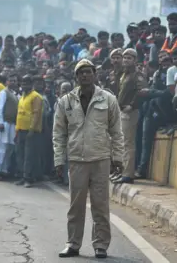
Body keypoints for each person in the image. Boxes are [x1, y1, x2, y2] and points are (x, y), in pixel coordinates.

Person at [53, 59, 125, 259]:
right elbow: (58, 133)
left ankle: (100, 245)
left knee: (100, 205)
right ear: (76, 77)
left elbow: (117, 132)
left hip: (101, 158)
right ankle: (73, 244)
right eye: (81, 73)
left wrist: (117, 158)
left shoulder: (108, 100)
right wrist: (59, 159)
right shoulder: (66, 101)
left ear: (95, 74)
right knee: (75, 206)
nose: (85, 75)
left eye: (88, 72)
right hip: (76, 160)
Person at [113, 49, 147, 184]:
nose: (126, 60)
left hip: (130, 112)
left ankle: (128, 174)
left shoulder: (137, 75)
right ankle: (122, 172)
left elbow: (142, 92)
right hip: (121, 111)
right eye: (125, 57)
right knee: (121, 143)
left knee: (128, 143)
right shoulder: (123, 74)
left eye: (129, 58)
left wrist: (132, 106)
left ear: (135, 60)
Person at [14, 75, 43, 188]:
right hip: (20, 129)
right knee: (20, 154)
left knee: (29, 156)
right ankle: (22, 176)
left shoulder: (36, 97)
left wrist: (31, 129)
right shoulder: (22, 97)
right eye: (23, 83)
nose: (24, 85)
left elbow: (36, 114)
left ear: (31, 84)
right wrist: (17, 129)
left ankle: (28, 178)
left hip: (31, 131)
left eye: (27, 83)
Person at [0, 74, 19, 181]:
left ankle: (3, 170)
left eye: (15, 80)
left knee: (9, 148)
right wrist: (0, 122)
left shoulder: (15, 94)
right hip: (4, 123)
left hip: (12, 124)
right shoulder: (3, 93)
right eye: (11, 80)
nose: (13, 82)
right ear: (7, 82)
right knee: (0, 148)